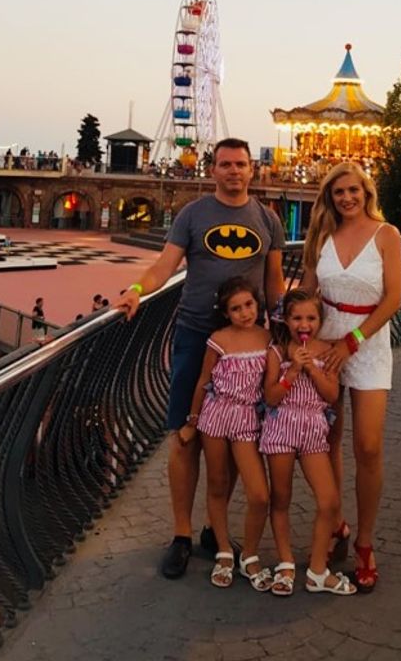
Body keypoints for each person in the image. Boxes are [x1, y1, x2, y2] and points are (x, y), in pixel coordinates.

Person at [114, 137, 285, 580]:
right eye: (225, 164)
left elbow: (274, 284)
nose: (233, 171)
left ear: (253, 170)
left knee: (230, 439)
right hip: (195, 335)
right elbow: (164, 266)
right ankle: (181, 533)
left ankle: (216, 527)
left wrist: (287, 331)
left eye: (241, 164)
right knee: (185, 434)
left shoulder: (267, 219)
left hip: (246, 344)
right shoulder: (193, 215)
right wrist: (136, 291)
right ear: (213, 170)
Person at [301, 162, 401, 593]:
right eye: (339, 192)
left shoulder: (387, 235)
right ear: (330, 197)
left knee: (368, 444)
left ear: (366, 193)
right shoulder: (321, 237)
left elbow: (394, 298)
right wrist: (302, 342)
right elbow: (308, 295)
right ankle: (336, 521)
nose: (346, 198)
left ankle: (365, 539)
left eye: (353, 191)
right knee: (327, 440)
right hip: (326, 343)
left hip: (367, 344)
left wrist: (353, 342)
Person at [261, 289, 355, 596]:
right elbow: (271, 397)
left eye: (311, 318)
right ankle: (285, 562)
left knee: (328, 501)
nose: (304, 324)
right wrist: (292, 371)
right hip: (282, 427)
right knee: (281, 498)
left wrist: (311, 367)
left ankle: (317, 569)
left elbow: (331, 395)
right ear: (286, 321)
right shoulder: (277, 352)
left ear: (320, 320)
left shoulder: (327, 350)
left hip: (314, 430)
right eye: (297, 318)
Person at [181, 277, 272, 591]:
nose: (244, 313)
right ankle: (223, 552)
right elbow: (204, 381)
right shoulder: (218, 340)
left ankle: (249, 553)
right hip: (216, 416)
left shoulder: (268, 339)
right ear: (226, 313)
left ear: (257, 304)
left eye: (248, 305)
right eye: (236, 308)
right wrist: (193, 420)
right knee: (218, 483)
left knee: (259, 493)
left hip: (248, 417)